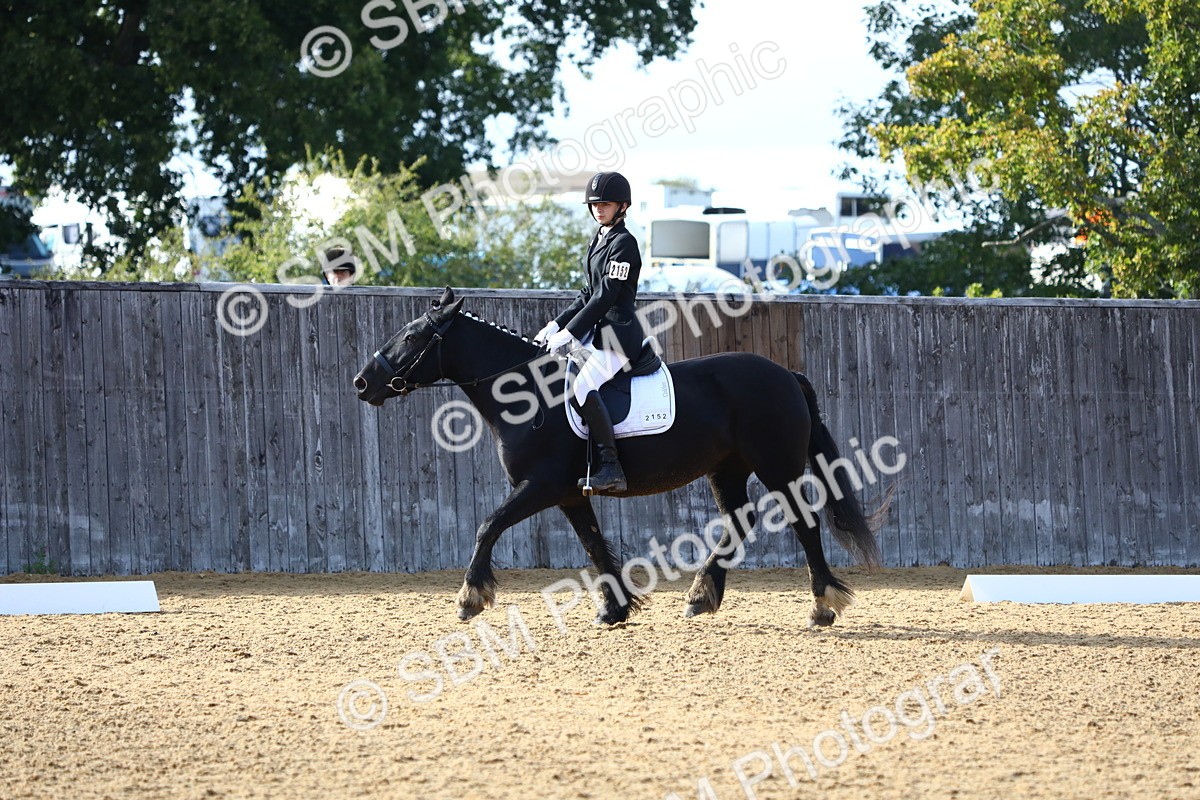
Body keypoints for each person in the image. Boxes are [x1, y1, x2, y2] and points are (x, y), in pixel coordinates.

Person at [534, 171, 646, 494]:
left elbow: (606, 296)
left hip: (618, 337)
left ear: (622, 206)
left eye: (606, 204)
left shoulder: (625, 244)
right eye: (595, 204)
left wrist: (570, 332)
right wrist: (557, 324)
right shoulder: (599, 238)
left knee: (583, 386)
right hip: (596, 334)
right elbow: (587, 293)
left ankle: (611, 467)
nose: (599, 209)